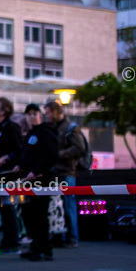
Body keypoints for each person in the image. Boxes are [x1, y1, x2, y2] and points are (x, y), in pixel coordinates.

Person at [18, 104, 59, 261]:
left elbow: (51, 156)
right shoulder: (30, 134)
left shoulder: (45, 132)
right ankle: (36, 246)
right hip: (28, 181)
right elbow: (26, 156)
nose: (32, 116)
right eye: (28, 114)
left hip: (41, 181)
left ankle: (45, 249)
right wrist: (19, 166)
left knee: (40, 215)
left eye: (34, 113)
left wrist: (35, 172)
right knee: (29, 214)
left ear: (40, 116)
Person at [44, 101, 86, 248]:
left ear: (55, 112)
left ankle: (72, 238)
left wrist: (59, 154)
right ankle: (61, 236)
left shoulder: (70, 127)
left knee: (68, 206)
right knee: (59, 207)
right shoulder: (55, 127)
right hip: (56, 172)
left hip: (67, 172)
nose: (46, 115)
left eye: (48, 112)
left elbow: (79, 147)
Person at [0, 97, 23, 253]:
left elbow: (20, 149)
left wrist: (6, 158)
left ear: (4, 110)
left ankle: (13, 240)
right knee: (2, 207)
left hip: (10, 173)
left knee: (9, 206)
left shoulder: (12, 128)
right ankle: (6, 238)